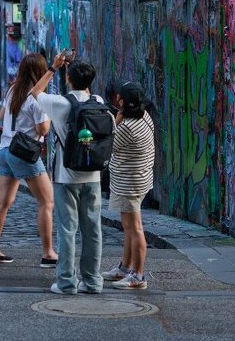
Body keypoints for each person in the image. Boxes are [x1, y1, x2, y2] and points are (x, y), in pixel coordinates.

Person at [30, 53, 106, 295]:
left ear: (69, 80)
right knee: (93, 230)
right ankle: (92, 281)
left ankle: (66, 282)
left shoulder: (60, 103)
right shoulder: (99, 100)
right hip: (93, 176)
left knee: (67, 230)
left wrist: (54, 67)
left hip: (66, 176)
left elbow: (35, 91)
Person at [0, 53, 58, 267]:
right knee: (47, 202)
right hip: (23, 153)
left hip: (4, 150)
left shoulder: (12, 91)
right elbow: (42, 130)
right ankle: (48, 253)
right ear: (40, 71)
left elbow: (1, 115)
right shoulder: (36, 99)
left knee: (2, 202)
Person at [105, 81, 154, 290]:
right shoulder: (145, 117)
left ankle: (138, 276)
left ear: (122, 102)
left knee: (135, 228)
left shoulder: (126, 127)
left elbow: (110, 146)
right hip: (136, 178)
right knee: (128, 226)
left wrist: (117, 116)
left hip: (129, 182)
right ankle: (125, 268)